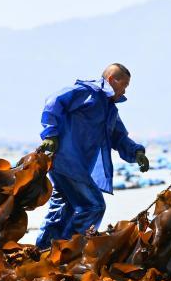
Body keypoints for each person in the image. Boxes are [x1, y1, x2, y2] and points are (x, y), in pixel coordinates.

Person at [35, 63, 150, 249]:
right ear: (112, 80)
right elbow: (54, 101)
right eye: (125, 85)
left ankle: (43, 250)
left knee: (63, 208)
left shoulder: (110, 109)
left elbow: (118, 136)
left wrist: (136, 152)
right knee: (93, 206)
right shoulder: (87, 92)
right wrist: (51, 134)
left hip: (76, 166)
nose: (125, 90)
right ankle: (69, 250)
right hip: (66, 160)